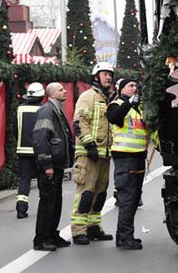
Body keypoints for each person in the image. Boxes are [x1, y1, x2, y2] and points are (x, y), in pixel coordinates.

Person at [70, 62, 115, 245]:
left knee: (100, 193)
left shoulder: (107, 98)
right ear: (96, 76)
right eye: (104, 74)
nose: (109, 77)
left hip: (104, 154)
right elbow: (79, 122)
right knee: (85, 193)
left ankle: (93, 227)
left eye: (110, 74)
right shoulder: (88, 96)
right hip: (89, 154)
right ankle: (78, 230)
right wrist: (90, 146)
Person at [107, 78, 149, 250]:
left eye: (135, 86)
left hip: (138, 157)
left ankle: (125, 235)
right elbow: (114, 118)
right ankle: (124, 238)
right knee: (127, 198)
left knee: (133, 199)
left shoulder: (137, 108)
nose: (134, 88)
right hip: (125, 158)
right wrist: (129, 103)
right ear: (121, 89)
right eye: (130, 86)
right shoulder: (116, 104)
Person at [32, 82, 74, 251]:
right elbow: (40, 139)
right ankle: (41, 239)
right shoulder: (46, 111)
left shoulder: (56, 109)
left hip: (57, 165)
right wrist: (47, 164)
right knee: (48, 202)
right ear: (51, 94)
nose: (64, 91)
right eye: (60, 90)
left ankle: (52, 234)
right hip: (49, 166)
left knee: (56, 202)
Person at [15, 82, 44, 219]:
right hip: (40, 151)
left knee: (24, 179)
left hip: (23, 151)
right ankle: (44, 209)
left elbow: (14, 129)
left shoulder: (20, 109)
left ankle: (21, 209)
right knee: (42, 180)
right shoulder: (44, 110)